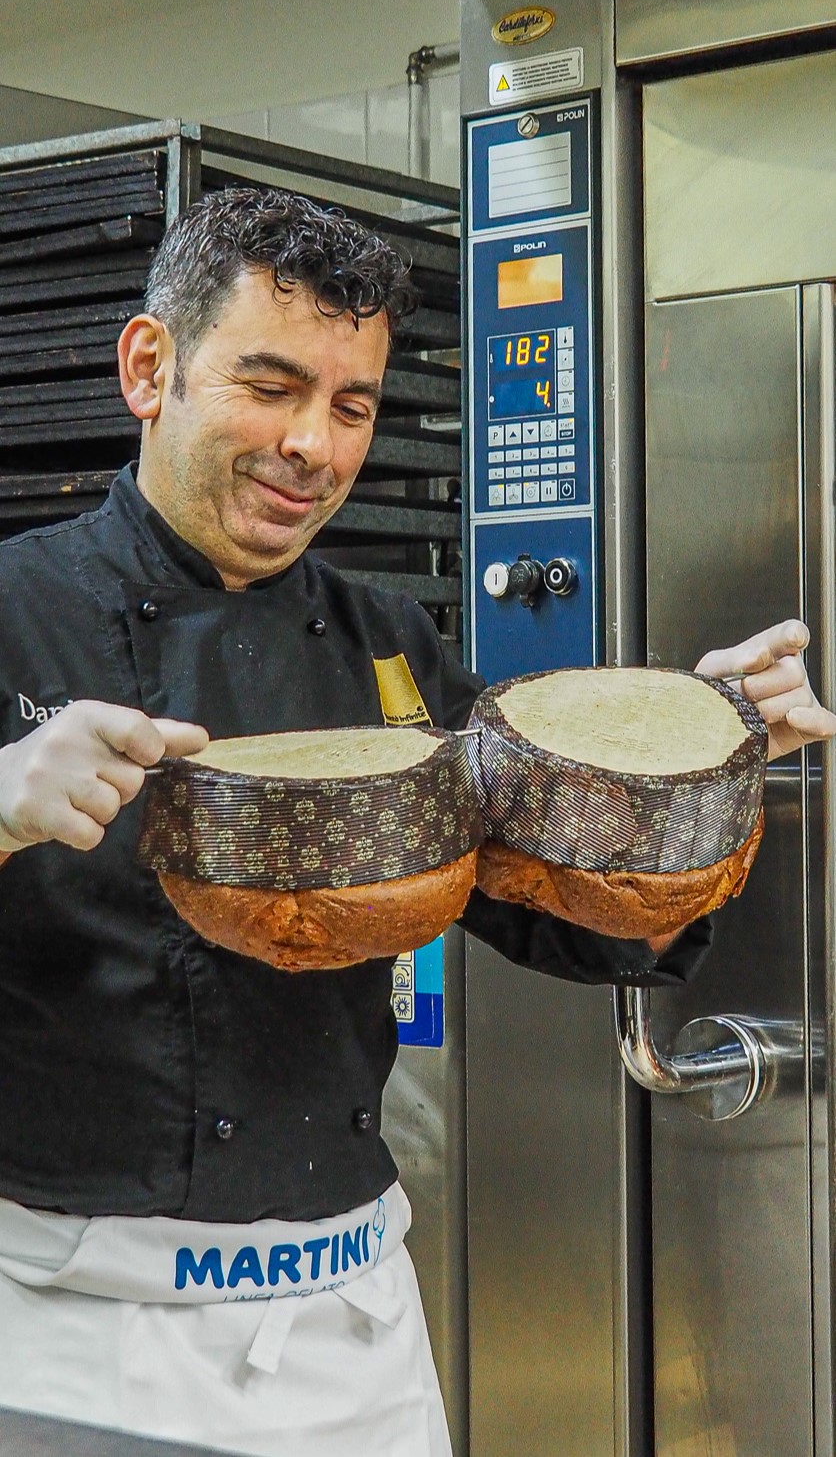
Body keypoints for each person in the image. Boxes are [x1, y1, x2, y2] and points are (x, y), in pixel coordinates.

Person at [0, 188, 830, 1457]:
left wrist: (696, 771)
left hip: (353, 1325)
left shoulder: (390, 644)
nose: (314, 450)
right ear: (147, 366)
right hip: (80, 1330)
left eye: (352, 404)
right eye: (271, 387)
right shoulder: (15, 608)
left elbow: (574, 931)